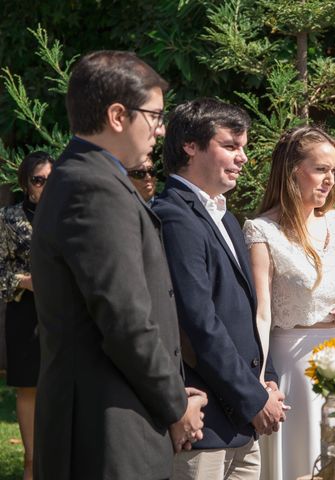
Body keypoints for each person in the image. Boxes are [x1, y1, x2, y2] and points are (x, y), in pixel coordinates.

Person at [30, 50, 207, 479]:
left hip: (113, 413)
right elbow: (124, 317)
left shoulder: (86, 177)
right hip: (105, 428)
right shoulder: (93, 187)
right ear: (116, 115)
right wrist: (174, 403)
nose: (160, 129)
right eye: (154, 116)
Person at [243, 126, 335, 480]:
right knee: (302, 461)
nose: (330, 180)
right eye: (321, 169)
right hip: (294, 362)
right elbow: (260, 313)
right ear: (293, 170)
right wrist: (259, 380)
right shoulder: (262, 230)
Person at [154, 98, 286, 480]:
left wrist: (267, 377)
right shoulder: (174, 216)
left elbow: (246, 309)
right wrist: (253, 399)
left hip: (241, 420)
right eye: (230, 146)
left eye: (243, 147)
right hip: (204, 420)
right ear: (190, 146)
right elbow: (199, 322)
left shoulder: (224, 215)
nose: (243, 157)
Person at [0, 151, 53, 480]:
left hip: (64, 313)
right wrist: (24, 281)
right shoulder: (7, 218)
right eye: (38, 180)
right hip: (26, 312)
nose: (45, 186)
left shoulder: (68, 215)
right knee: (30, 388)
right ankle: (31, 465)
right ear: (26, 183)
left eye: (52, 179)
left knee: (62, 383)